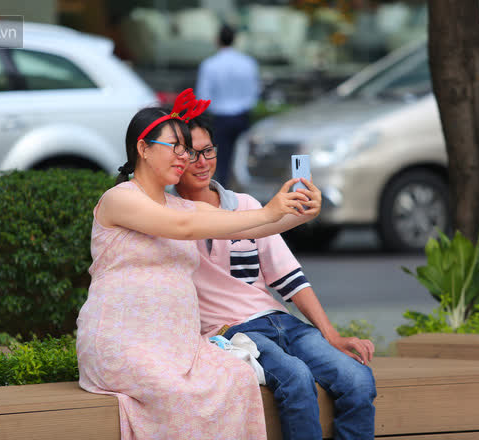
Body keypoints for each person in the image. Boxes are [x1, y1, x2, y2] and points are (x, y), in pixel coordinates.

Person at [75, 89, 322, 440]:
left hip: (177, 347)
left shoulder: (182, 207)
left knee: (238, 380)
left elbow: (252, 223)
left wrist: (297, 212)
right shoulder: (119, 199)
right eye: (175, 147)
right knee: (178, 395)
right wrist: (270, 210)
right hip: (123, 343)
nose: (185, 157)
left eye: (186, 149)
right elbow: (183, 228)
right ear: (143, 149)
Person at [173, 115, 377, 440]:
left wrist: (332, 335)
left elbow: (289, 278)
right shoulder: (167, 215)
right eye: (190, 153)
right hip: (231, 334)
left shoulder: (246, 205)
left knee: (357, 379)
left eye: (208, 151)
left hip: (281, 322)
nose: (201, 162)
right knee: (295, 377)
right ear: (175, 157)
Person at [196, 24, 259, 186]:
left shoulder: (210, 64)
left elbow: (203, 95)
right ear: (235, 39)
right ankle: (244, 190)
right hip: (242, 115)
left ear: (217, 40)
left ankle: (224, 192)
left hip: (220, 117)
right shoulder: (247, 63)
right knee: (244, 157)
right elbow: (254, 92)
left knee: (222, 158)